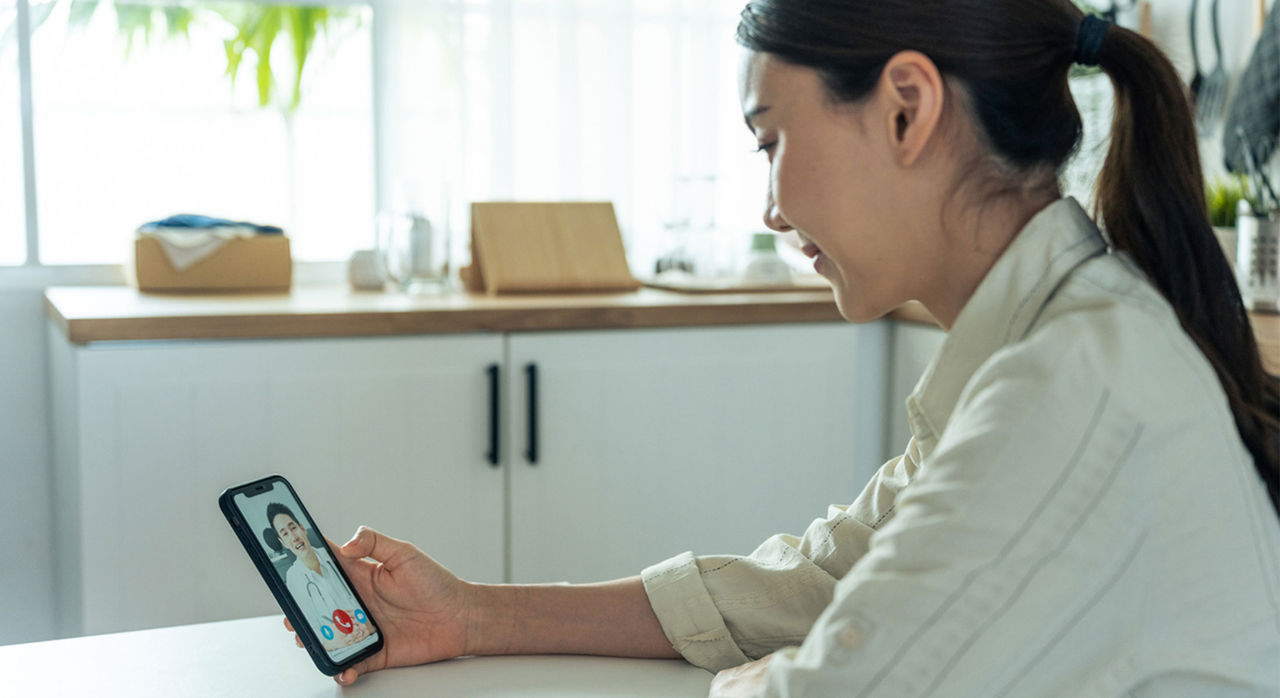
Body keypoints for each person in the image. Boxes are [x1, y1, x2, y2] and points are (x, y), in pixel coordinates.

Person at [285, 1, 1280, 694]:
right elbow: (820, 579)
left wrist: (755, 682)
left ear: (905, 107)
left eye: (771, 141)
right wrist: (469, 613)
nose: (768, 206)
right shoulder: (1044, 340)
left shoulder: (1067, 386)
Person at [267, 503, 373, 651]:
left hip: (369, 638)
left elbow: (366, 605)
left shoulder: (332, 557)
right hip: (340, 650)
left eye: (293, 528)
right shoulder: (293, 578)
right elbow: (313, 632)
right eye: (285, 534)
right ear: (283, 542)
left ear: (302, 528)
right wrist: (331, 642)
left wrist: (367, 625)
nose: (294, 537)